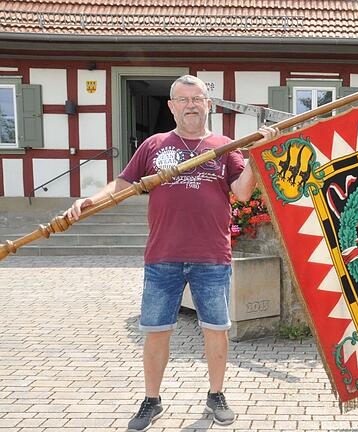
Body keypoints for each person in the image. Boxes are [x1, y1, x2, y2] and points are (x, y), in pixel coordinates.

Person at [66, 75, 278, 431]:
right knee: (156, 330)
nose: (191, 104)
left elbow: (242, 193)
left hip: (211, 256)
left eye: (197, 98)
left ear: (208, 104)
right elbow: (124, 183)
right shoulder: (153, 145)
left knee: (216, 330)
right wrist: (92, 199)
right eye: (183, 99)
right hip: (162, 255)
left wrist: (255, 158)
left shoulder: (226, 146)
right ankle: (152, 400)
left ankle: (216, 395)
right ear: (171, 106)